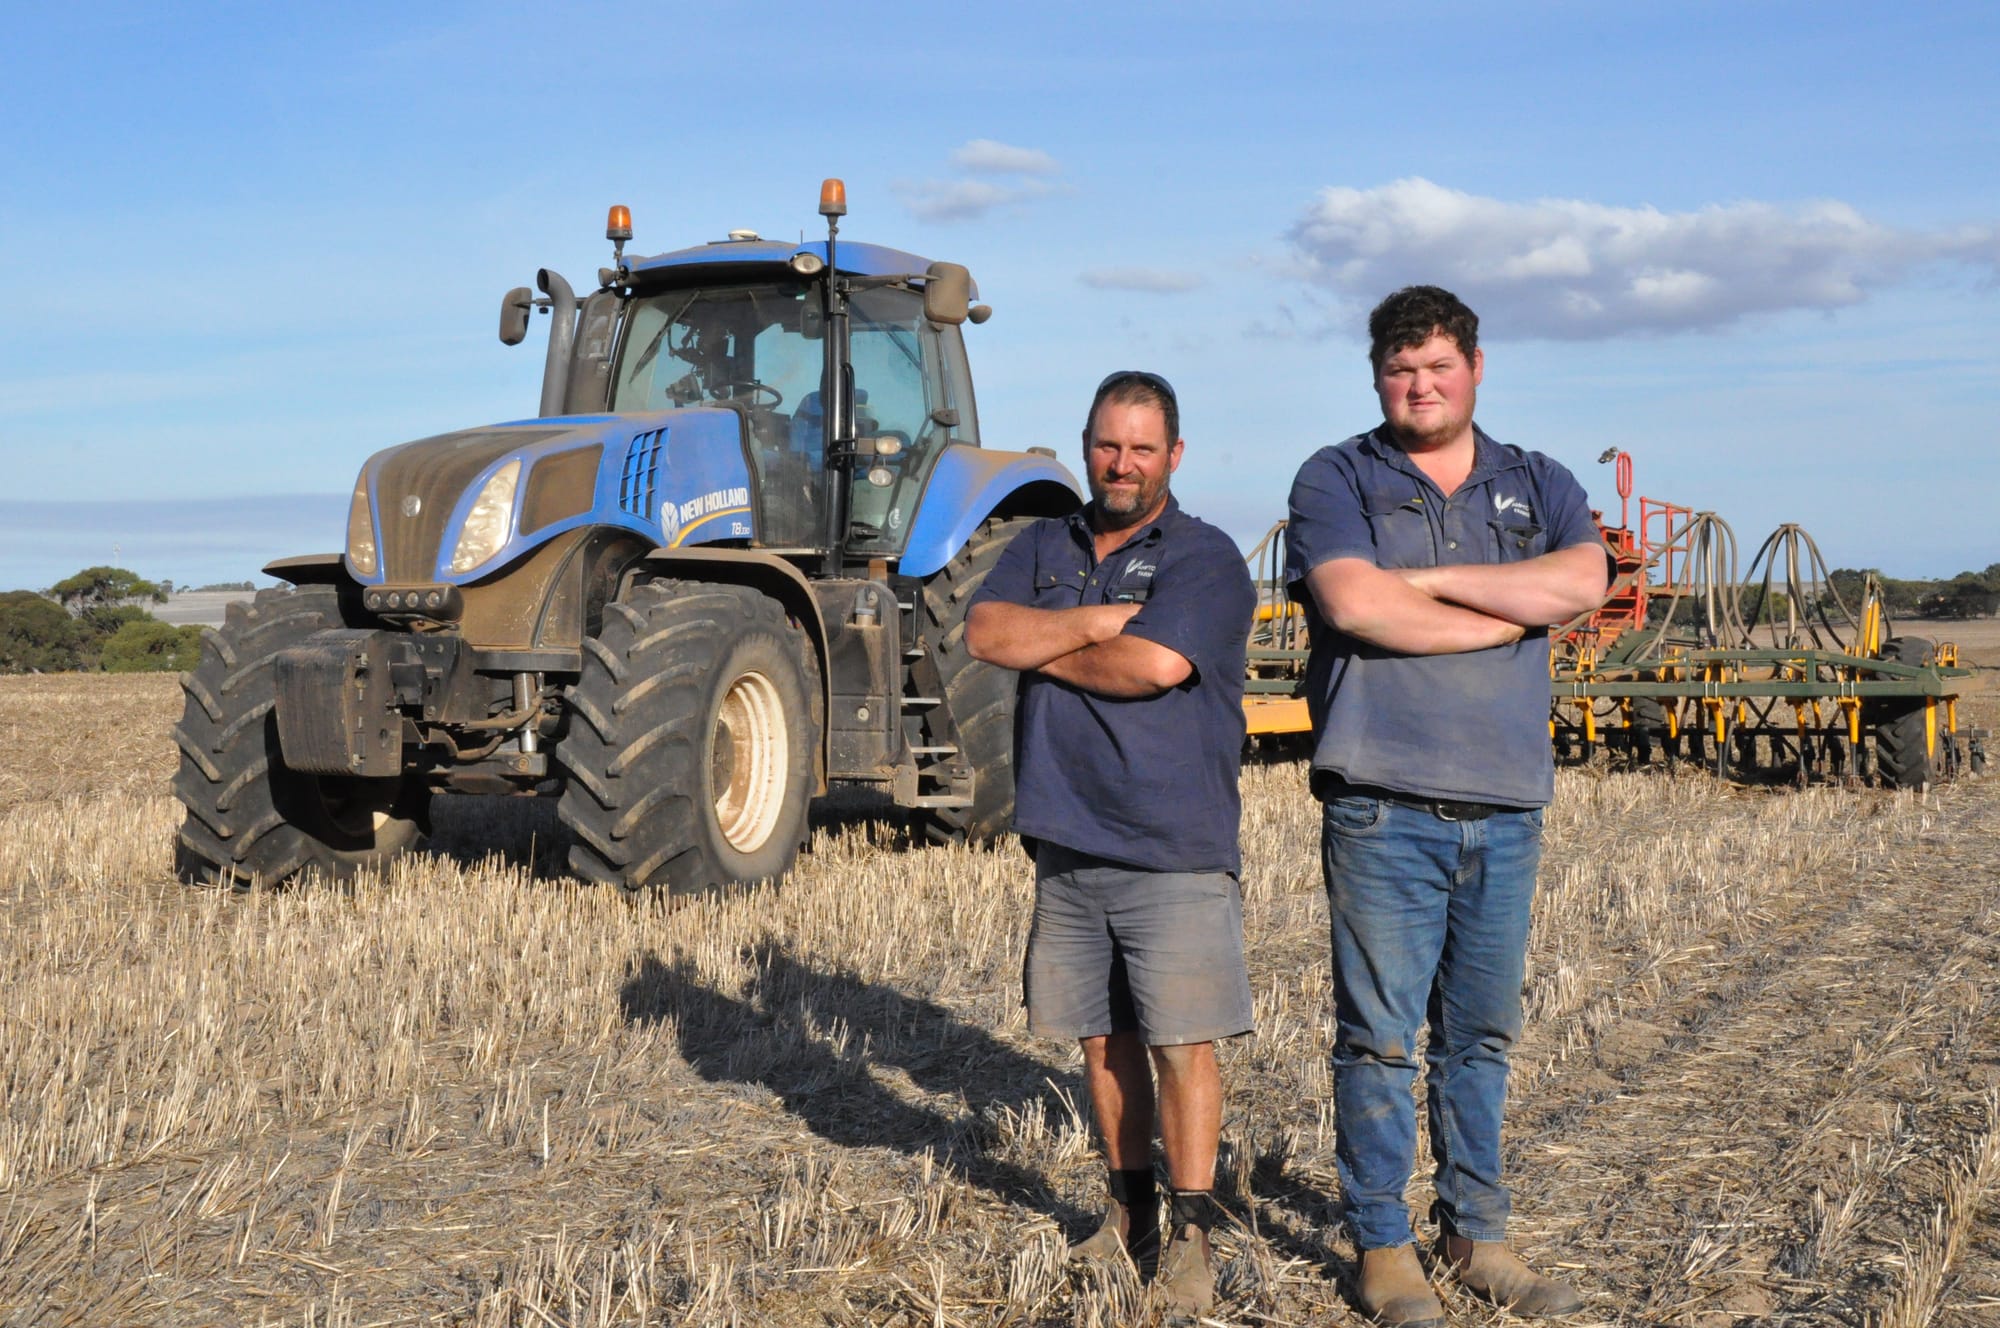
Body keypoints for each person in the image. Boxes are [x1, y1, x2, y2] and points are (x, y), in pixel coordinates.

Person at [1284, 287, 1607, 1325]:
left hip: (1505, 805)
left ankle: (1476, 1233)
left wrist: (1426, 588)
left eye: (1434, 366)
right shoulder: (1337, 474)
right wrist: (1506, 615)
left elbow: (1583, 582)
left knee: (1478, 1036)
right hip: (1381, 801)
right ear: (1376, 376)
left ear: (1473, 365)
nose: (1416, 386)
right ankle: (1382, 1245)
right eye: (1396, 370)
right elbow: (1351, 603)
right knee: (1376, 1037)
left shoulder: (1536, 479)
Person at [965, 370, 1256, 1318]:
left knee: (1182, 1048)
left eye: (1141, 448)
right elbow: (984, 632)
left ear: (1174, 456)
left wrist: (1045, 643)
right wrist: (1091, 622)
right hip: (1065, 836)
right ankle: (1127, 1215)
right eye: (1106, 444)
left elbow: (1155, 666)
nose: (1121, 463)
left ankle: (1193, 1234)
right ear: (1084, 445)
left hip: (1170, 843)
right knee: (1104, 1044)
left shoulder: (1205, 558)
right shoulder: (1044, 542)